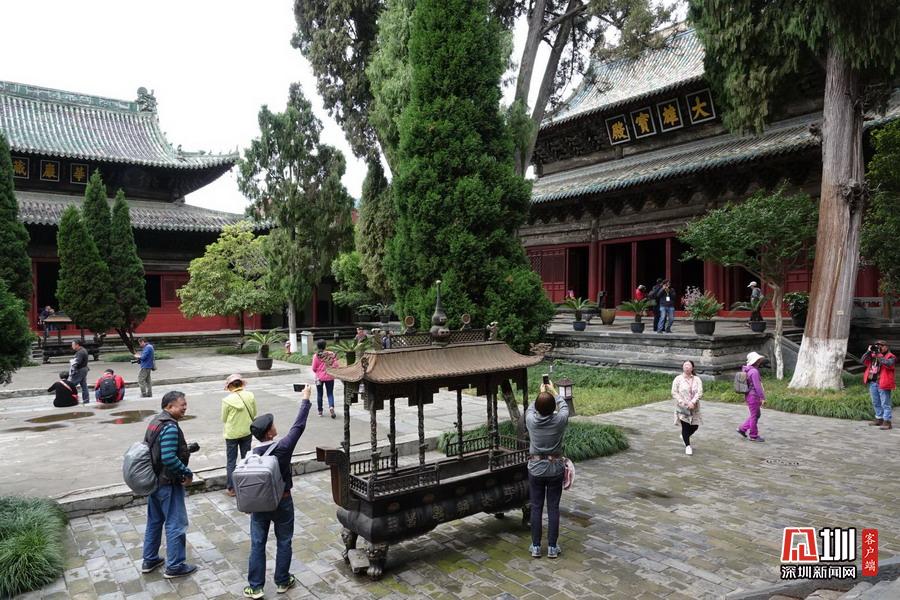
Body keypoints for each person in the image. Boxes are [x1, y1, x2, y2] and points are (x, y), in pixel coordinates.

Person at [243, 386, 313, 599]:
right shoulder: (282, 448)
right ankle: (282, 581)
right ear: (269, 432)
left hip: (259, 506)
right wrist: (305, 399)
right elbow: (299, 426)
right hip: (283, 501)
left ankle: (255, 587)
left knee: (257, 543)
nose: (275, 425)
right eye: (272, 424)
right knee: (284, 540)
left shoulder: (251, 455)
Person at [141, 391, 197, 579]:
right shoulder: (171, 427)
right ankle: (175, 566)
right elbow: (168, 457)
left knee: (154, 521)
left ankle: (149, 559)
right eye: (182, 404)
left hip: (154, 481)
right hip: (168, 483)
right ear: (170, 406)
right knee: (176, 524)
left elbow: (156, 450)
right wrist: (187, 472)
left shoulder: (155, 422)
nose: (185, 408)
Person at [525, 379, 569, 559]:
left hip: (535, 469)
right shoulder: (559, 420)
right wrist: (553, 392)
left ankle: (536, 546)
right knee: (553, 507)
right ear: (553, 409)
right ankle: (552, 547)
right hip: (555, 469)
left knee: (536, 507)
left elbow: (530, 408)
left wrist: (540, 393)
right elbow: (565, 407)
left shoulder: (531, 420)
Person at [221, 374, 258, 496]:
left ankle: (231, 489)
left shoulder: (227, 400)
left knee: (231, 461)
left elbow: (224, 418)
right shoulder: (250, 395)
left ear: (230, 386)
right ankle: (247, 485)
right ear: (241, 384)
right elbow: (254, 413)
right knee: (246, 459)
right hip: (247, 431)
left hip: (232, 434)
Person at [862, 340, 895, 430]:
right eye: (877, 346)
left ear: (886, 347)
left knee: (885, 403)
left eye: (881, 345)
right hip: (873, 382)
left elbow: (888, 364)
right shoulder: (873, 356)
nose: (879, 347)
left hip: (883, 382)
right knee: (875, 402)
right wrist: (868, 351)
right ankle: (879, 418)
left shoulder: (891, 356)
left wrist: (878, 355)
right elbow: (862, 360)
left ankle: (887, 421)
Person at [672, 360, 703, 455]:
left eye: (689, 365)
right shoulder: (678, 379)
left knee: (695, 426)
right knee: (685, 426)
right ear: (682, 367)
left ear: (692, 368)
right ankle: (688, 446)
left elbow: (700, 392)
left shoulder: (697, 379)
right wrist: (682, 402)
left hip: (694, 407)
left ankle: (685, 436)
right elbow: (674, 392)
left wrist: (693, 402)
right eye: (685, 365)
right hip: (682, 407)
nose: (687, 367)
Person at [737, 352, 767, 442]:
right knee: (754, 416)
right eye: (759, 360)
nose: (760, 361)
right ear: (756, 361)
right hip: (754, 396)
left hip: (749, 395)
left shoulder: (748, 370)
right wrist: (762, 397)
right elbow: (757, 386)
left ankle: (742, 429)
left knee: (756, 414)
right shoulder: (754, 372)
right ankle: (753, 435)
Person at [311, 339, 338, 418]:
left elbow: (314, 368)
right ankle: (331, 407)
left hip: (319, 378)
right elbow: (336, 365)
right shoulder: (331, 354)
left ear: (317, 346)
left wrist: (318, 372)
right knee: (330, 393)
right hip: (329, 376)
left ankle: (320, 411)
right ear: (325, 346)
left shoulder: (316, 356)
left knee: (319, 394)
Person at [69, 339, 90, 404]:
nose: (72, 346)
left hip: (80, 370)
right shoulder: (83, 350)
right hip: (84, 369)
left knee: (71, 385)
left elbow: (77, 362)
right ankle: (86, 400)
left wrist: (73, 365)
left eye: (73, 345)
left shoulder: (80, 352)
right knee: (84, 386)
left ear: (77, 345)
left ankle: (71, 399)